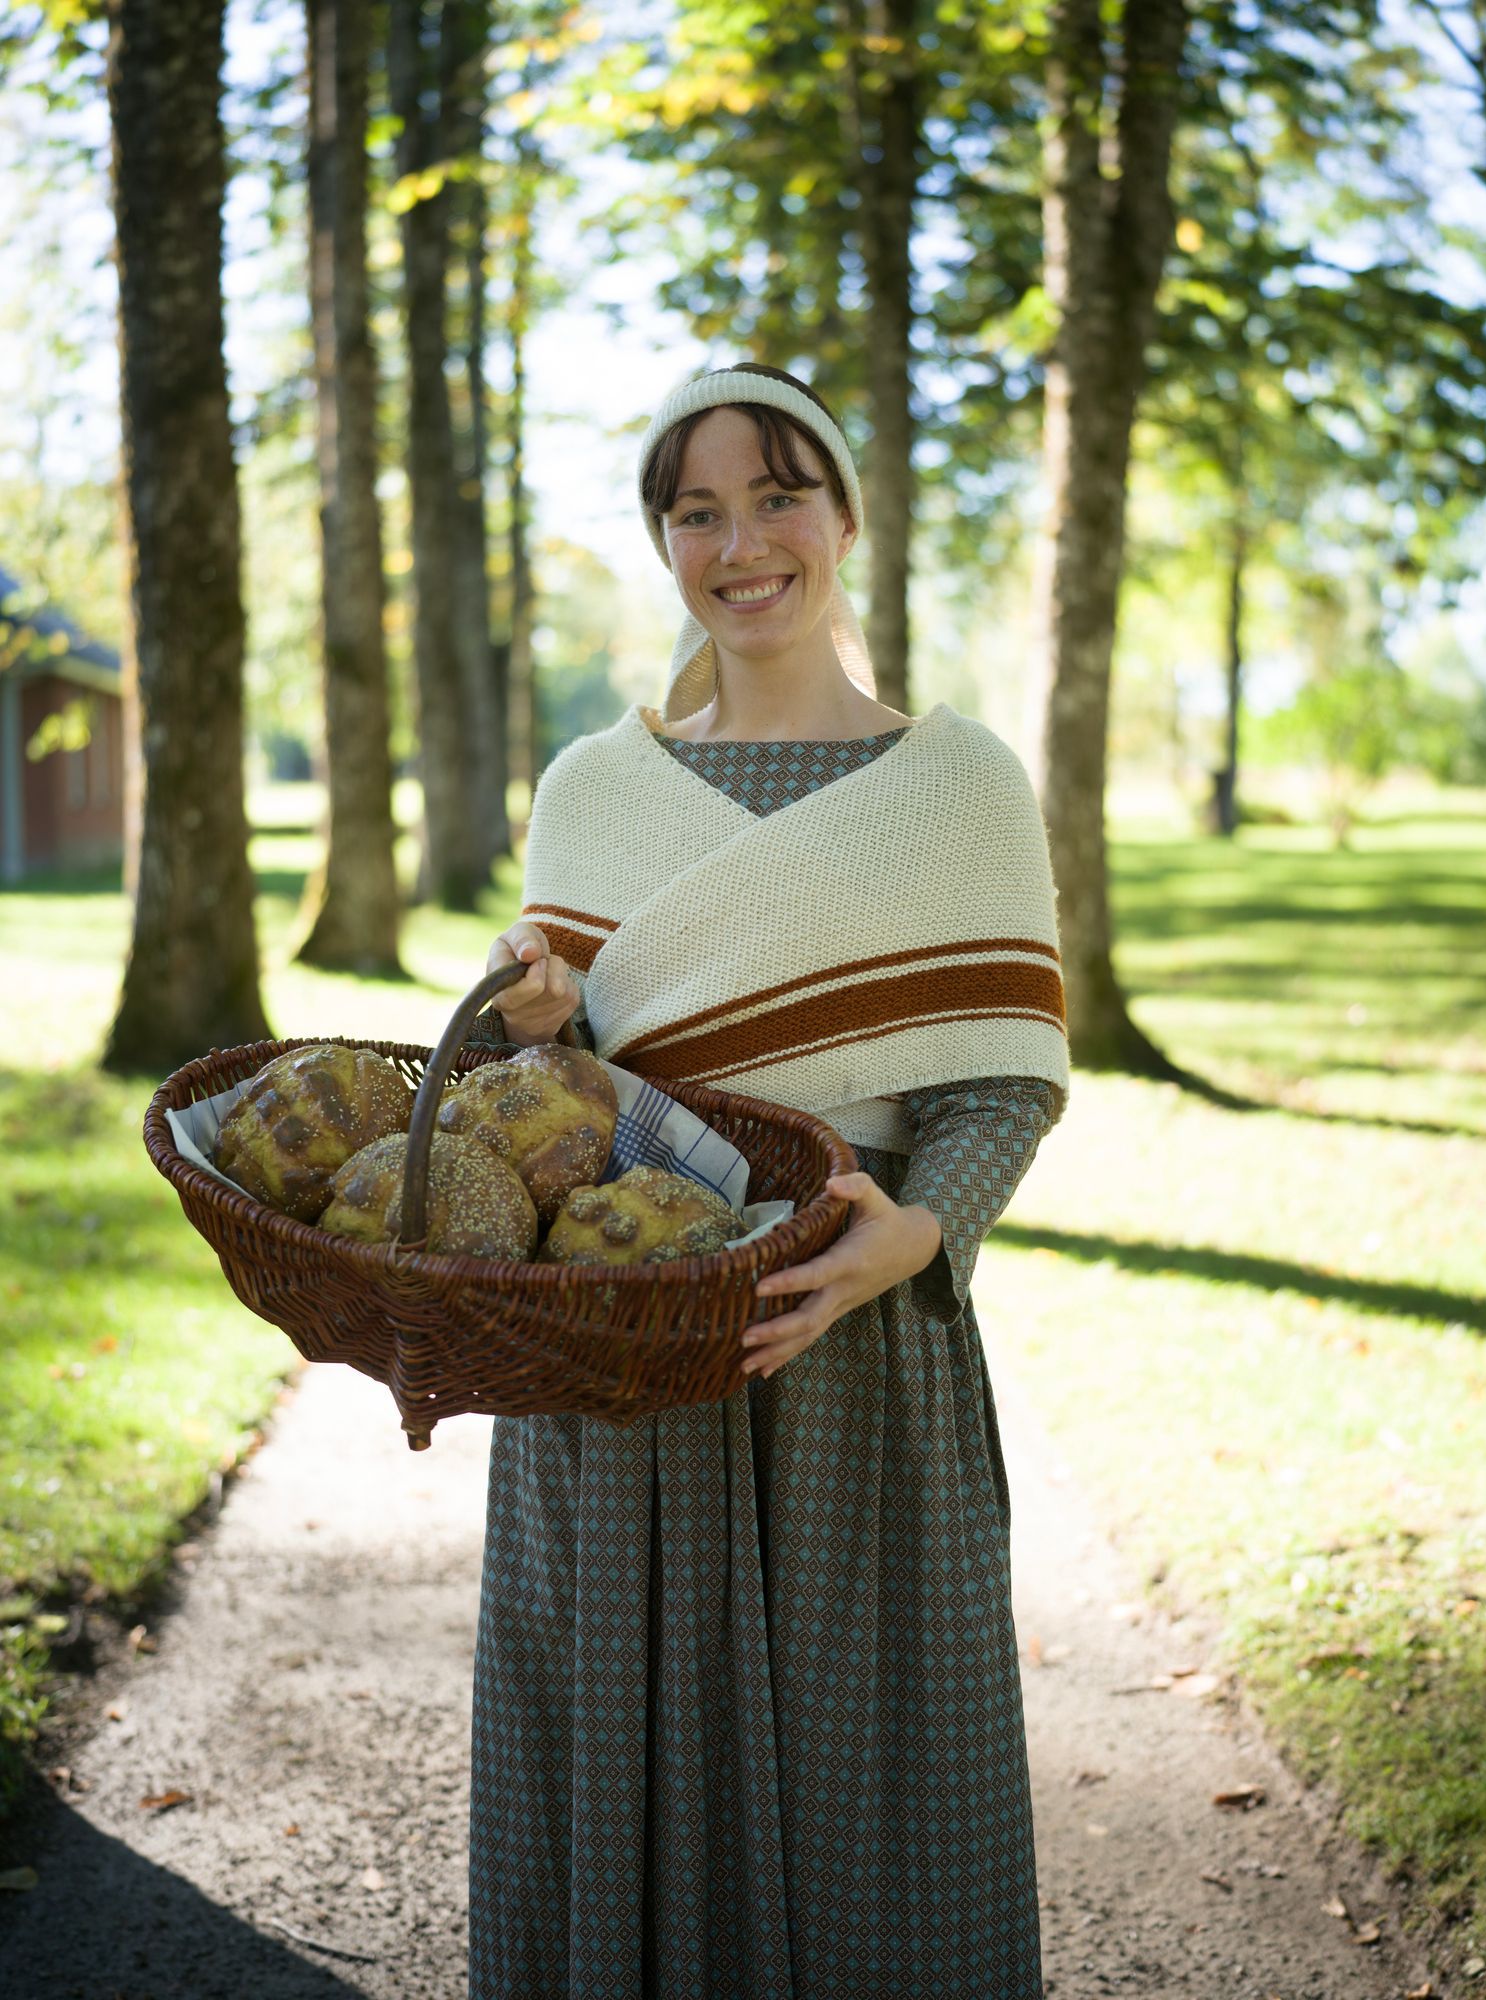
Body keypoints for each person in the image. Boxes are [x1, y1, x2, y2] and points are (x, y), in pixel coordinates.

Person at [469, 362, 1070, 1999]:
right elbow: (542, 1107)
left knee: (876, 1779)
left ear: (847, 516)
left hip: (852, 1335)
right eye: (697, 511)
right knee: (620, 1757)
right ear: (665, 543)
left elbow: (1002, 1074)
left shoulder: (958, 787)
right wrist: (533, 1017)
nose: (743, 541)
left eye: (778, 494)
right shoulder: (591, 789)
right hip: (616, 1357)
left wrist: (917, 1240)